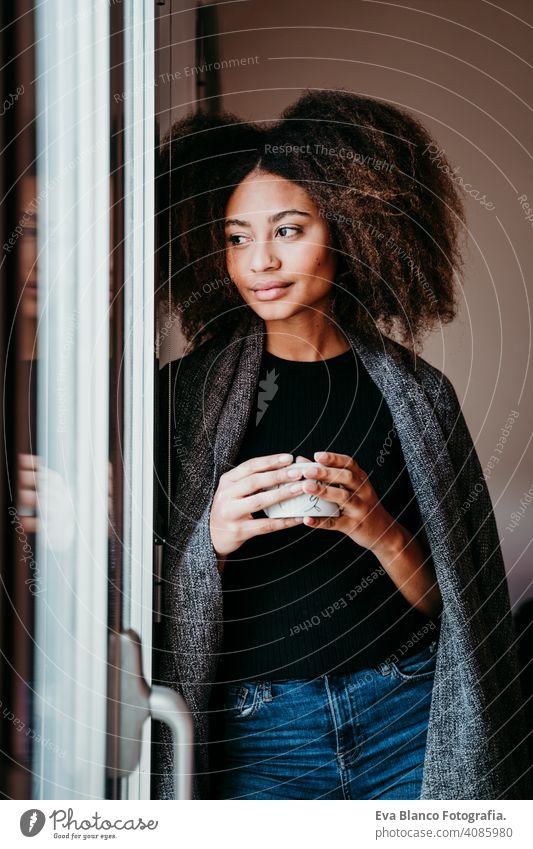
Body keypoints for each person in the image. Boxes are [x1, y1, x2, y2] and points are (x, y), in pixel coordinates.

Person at [152, 90, 531, 800]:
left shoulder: (418, 394)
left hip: (406, 718)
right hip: (259, 737)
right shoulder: (182, 397)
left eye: (287, 230)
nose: (258, 260)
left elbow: (455, 603)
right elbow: (130, 594)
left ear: (351, 228)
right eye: (236, 237)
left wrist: (377, 529)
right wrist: (212, 536)